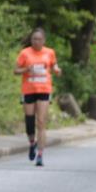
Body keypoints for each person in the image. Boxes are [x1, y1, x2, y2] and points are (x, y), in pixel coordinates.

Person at [14, 28, 63, 167]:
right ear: (31, 40)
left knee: (41, 122)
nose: (37, 41)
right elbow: (15, 70)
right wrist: (26, 70)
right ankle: (32, 142)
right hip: (28, 90)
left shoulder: (49, 52)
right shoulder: (25, 53)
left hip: (44, 89)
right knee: (30, 122)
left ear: (44, 40)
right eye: (34, 39)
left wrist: (57, 70)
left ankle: (40, 154)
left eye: (39, 39)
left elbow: (54, 66)